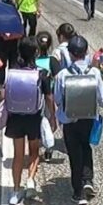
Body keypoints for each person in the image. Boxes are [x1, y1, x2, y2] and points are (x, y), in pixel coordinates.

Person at [53, 34, 103, 204]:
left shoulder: (62, 74)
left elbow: (57, 99)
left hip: (69, 121)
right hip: (88, 118)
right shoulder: (94, 72)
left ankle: (77, 192)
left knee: (74, 153)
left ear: (69, 53)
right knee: (86, 147)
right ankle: (88, 180)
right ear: (86, 53)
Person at [2, 37, 57, 204]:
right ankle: (31, 179)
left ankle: (15, 190)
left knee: (18, 155)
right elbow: (48, 97)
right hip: (34, 117)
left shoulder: (13, 72)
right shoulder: (41, 74)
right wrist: (53, 117)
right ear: (36, 52)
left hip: (16, 118)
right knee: (34, 152)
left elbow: (3, 94)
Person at [34, 32, 64, 161]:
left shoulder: (31, 60)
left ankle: (35, 149)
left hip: (33, 97)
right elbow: (58, 78)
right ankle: (48, 149)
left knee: (35, 123)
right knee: (48, 121)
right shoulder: (52, 60)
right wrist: (54, 114)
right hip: (48, 95)